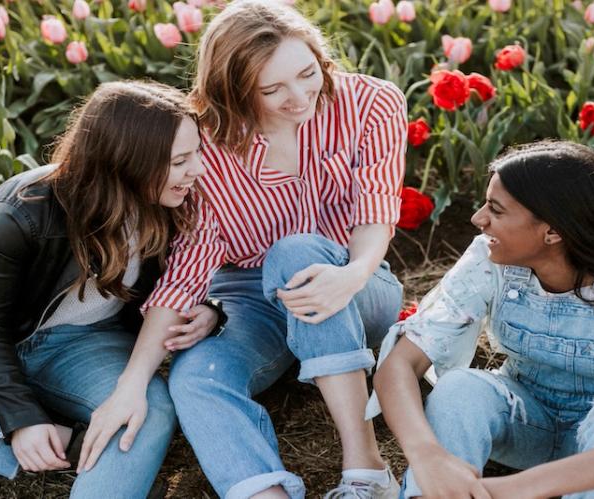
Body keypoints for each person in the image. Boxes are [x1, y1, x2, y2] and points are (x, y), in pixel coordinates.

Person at [76, 1, 408, 497]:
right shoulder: (205, 143)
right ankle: (263, 492)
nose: (299, 98)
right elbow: (188, 269)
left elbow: (375, 213)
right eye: (272, 90)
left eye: (307, 74)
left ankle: (366, 470)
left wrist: (353, 273)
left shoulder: (372, 103)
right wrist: (132, 382)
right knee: (196, 379)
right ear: (233, 90)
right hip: (253, 296)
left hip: (354, 282)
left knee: (296, 255)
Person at [372, 140, 594, 498]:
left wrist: (519, 488)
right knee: (460, 389)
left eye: (496, 211)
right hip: (526, 422)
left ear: (553, 231)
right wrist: (428, 456)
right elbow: (399, 365)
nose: (477, 219)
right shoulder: (489, 260)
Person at [0, 81, 219, 498]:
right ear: (125, 162)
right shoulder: (22, 212)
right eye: (180, 160)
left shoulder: (177, 202)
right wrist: (20, 418)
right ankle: (65, 440)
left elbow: (194, 274)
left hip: (82, 345)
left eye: (196, 153)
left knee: (147, 411)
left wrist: (210, 308)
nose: (198, 170)